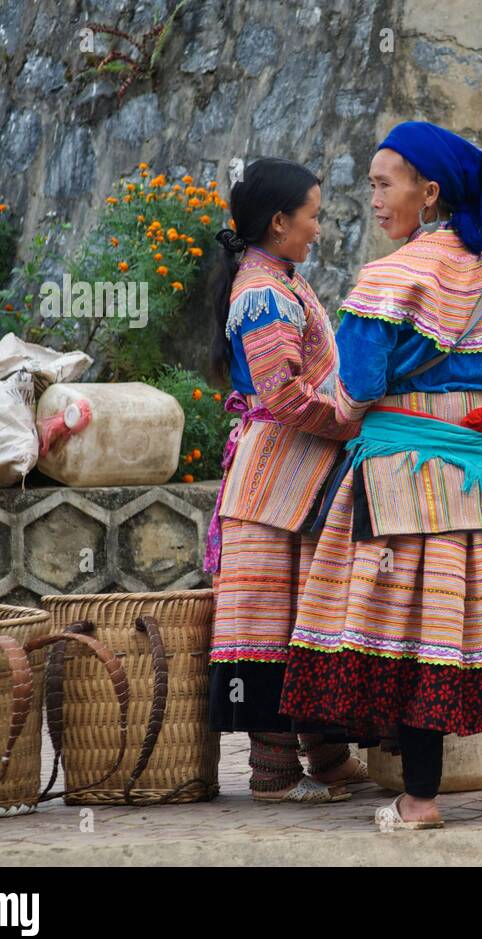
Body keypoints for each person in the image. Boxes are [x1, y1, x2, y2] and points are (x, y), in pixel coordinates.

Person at [279, 122, 482, 830]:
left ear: (428, 192)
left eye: (384, 183)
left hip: (406, 480)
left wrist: (344, 407)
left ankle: (423, 798)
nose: (373, 198)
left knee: (420, 635)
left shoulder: (387, 277)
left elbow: (359, 384)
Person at [205, 158, 369, 803]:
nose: (319, 229)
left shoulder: (282, 281)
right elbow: (286, 398)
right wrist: (356, 420)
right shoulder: (263, 293)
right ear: (279, 222)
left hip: (297, 482)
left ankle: (327, 762)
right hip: (276, 485)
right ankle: (274, 776)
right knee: (270, 628)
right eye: (313, 216)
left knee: (305, 620)